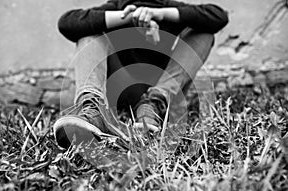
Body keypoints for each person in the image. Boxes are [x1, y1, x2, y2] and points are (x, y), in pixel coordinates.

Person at [54, 0, 228, 149]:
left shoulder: (165, 7)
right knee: (88, 33)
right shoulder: (116, 7)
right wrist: (126, 17)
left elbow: (219, 16)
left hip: (161, 89)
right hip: (121, 90)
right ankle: (92, 109)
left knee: (204, 33)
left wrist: (160, 14)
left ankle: (154, 104)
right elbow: (67, 22)